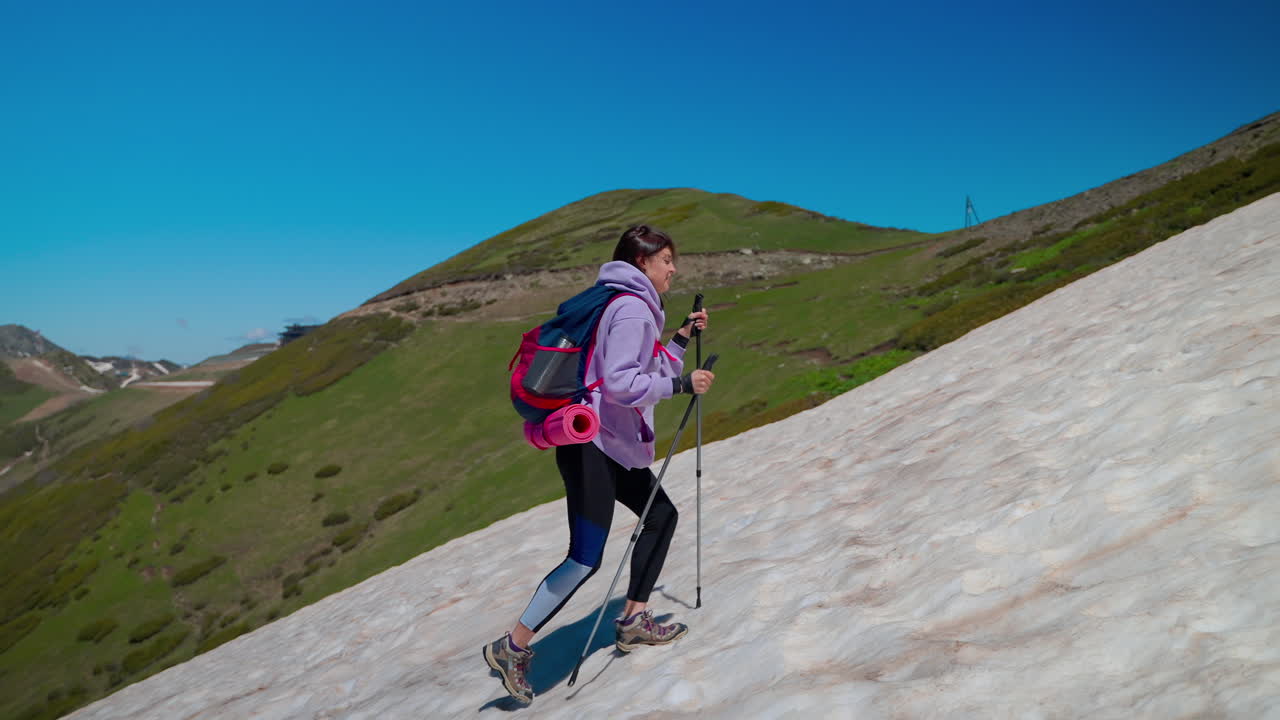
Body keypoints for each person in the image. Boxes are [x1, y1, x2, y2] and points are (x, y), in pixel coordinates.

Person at [484, 225, 715, 705]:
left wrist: (678, 338)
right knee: (584, 558)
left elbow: (647, 367)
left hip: (611, 442)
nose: (674, 268)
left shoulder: (628, 303)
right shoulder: (631, 307)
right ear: (641, 262)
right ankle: (511, 647)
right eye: (667, 259)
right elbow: (622, 384)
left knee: (661, 517)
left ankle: (632, 620)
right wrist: (682, 386)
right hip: (595, 444)